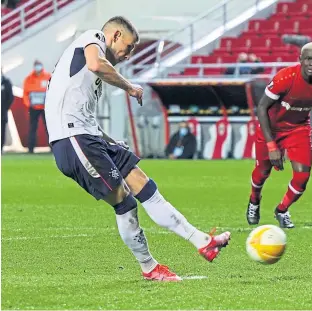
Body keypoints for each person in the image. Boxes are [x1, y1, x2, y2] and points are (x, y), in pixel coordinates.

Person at [45, 16, 230, 282]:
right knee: (125, 202)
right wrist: (129, 86)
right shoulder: (93, 38)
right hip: (73, 140)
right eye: (129, 47)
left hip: (89, 136)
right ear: (116, 35)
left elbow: (84, 112)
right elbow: (97, 64)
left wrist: (109, 141)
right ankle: (150, 268)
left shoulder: (89, 76)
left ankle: (203, 241)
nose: (129, 55)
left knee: (143, 183)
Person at [246, 42, 312, 229]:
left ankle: (282, 209)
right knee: (263, 172)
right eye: (308, 59)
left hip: (298, 129)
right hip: (271, 128)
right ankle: (254, 200)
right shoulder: (285, 78)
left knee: (303, 176)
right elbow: (262, 107)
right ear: (300, 60)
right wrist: (272, 146)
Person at [23, 60, 51, 153]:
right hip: (34, 108)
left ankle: (52, 148)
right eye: (36, 66)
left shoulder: (48, 77)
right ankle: (31, 149)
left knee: (49, 128)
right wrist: (28, 104)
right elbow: (25, 93)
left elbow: (52, 91)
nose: (37, 67)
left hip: (46, 108)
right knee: (32, 128)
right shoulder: (29, 78)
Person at [1, 69, 14, 152]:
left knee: (2, 131)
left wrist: (5, 107)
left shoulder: (6, 82)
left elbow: (10, 97)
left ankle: (0, 148)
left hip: (2, 112)